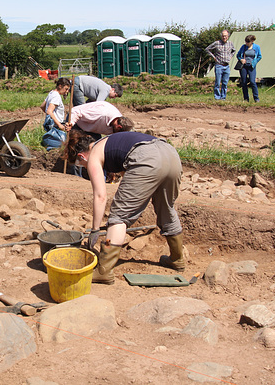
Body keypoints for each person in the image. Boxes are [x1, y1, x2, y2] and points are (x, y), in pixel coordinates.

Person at [63, 130, 185, 284]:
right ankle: (177, 259)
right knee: (167, 208)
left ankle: (104, 271)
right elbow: (128, 173)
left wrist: (94, 230)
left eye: (82, 165)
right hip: (170, 154)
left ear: (81, 157)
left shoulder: (93, 155)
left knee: (119, 215)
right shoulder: (109, 143)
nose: (85, 167)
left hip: (147, 157)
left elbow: (100, 196)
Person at [65, 100, 134, 140]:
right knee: (76, 147)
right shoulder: (101, 113)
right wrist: (71, 123)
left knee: (96, 146)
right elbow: (77, 112)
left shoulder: (118, 120)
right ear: (119, 127)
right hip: (76, 120)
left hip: (92, 128)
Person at [39, 77, 70, 150]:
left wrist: (49, 117)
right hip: (56, 126)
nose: (67, 91)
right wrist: (59, 125)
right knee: (59, 146)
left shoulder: (51, 93)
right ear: (60, 86)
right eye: (66, 89)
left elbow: (42, 106)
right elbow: (49, 111)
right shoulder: (56, 96)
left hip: (52, 124)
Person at [205, 30, 236, 100]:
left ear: (228, 36)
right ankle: (217, 97)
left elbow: (234, 50)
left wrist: (230, 56)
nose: (224, 37)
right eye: (223, 36)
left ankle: (223, 97)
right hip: (219, 65)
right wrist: (214, 57)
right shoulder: (217, 43)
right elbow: (207, 49)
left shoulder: (230, 44)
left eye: (225, 36)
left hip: (227, 66)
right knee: (217, 83)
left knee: (225, 83)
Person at [236, 35, 262, 102]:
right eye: (246, 42)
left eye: (248, 42)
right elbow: (238, 55)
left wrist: (255, 62)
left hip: (251, 66)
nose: (247, 43)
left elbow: (259, 56)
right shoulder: (243, 47)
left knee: (252, 81)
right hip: (244, 66)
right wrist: (241, 59)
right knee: (244, 82)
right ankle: (246, 98)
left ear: (252, 41)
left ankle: (256, 98)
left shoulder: (256, 47)